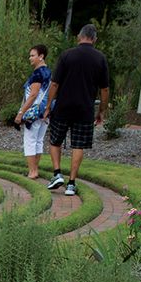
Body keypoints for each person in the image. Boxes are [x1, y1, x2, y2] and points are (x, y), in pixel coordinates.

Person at [44, 23, 109, 196]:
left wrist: (48, 105)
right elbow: (104, 89)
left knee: (55, 140)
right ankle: (71, 184)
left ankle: (57, 173)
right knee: (78, 145)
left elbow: (55, 83)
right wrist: (101, 111)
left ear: (79, 37)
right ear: (94, 39)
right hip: (85, 110)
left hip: (63, 107)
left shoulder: (67, 55)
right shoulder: (100, 58)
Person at [15, 44, 51, 179]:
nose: (30, 58)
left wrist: (20, 113)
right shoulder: (49, 72)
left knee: (30, 140)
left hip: (33, 113)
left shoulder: (38, 74)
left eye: (32, 55)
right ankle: (35, 169)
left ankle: (32, 171)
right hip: (45, 112)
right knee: (39, 141)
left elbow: (33, 95)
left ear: (41, 56)